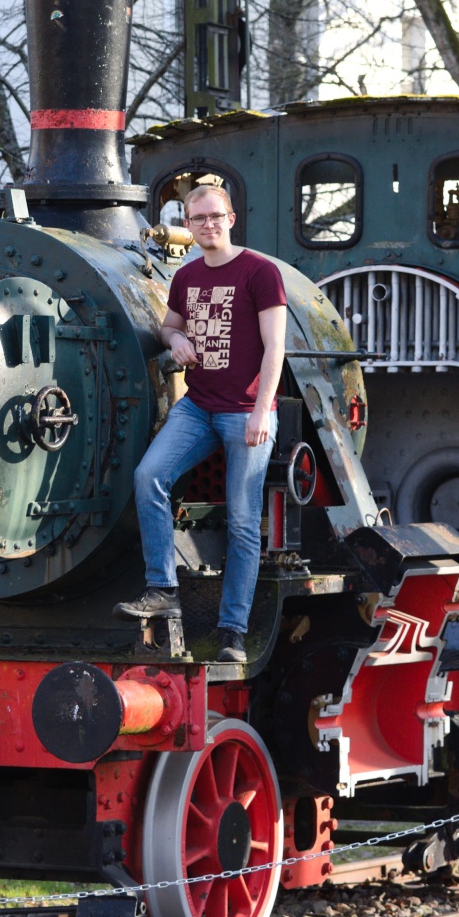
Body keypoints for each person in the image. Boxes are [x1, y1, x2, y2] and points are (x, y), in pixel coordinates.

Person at [114, 185, 287, 663]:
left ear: (231, 218)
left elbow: (276, 347)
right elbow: (169, 326)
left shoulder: (260, 272)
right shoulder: (187, 277)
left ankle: (232, 631)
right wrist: (175, 341)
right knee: (149, 476)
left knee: (243, 521)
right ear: (186, 226)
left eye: (215, 216)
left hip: (246, 412)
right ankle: (162, 587)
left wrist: (260, 412)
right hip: (198, 407)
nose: (208, 224)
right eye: (198, 218)